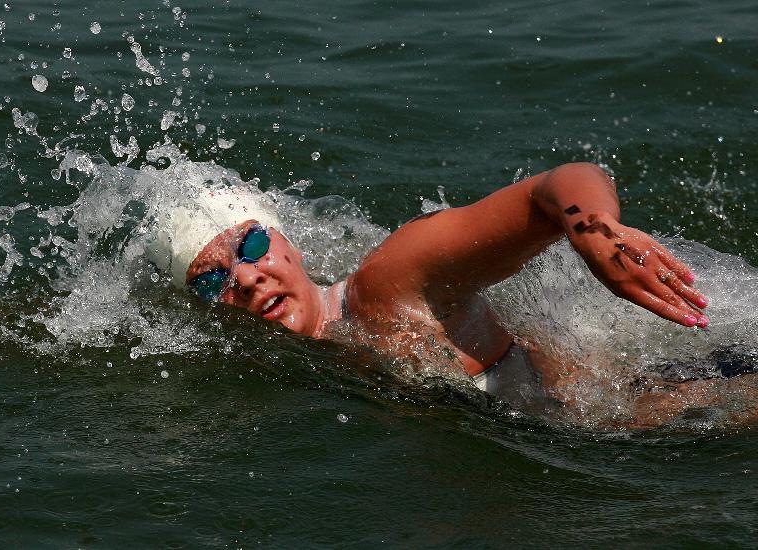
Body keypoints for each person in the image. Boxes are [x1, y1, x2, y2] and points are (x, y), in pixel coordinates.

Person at [149, 162, 719, 425]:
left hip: (647, 403)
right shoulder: (277, 363)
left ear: (288, 243)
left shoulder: (385, 284)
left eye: (250, 248)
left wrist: (594, 232)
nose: (244, 279)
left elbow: (556, 185)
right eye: (210, 280)